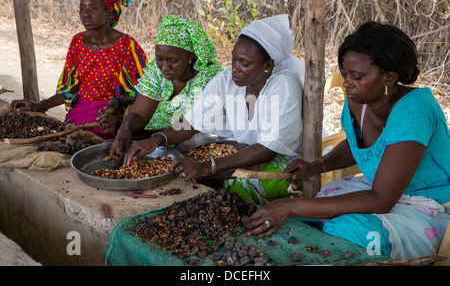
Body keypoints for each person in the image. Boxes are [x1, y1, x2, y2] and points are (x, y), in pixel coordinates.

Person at [243, 21, 450, 260]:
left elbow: (381, 200)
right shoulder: (358, 101)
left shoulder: (414, 110)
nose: (347, 83)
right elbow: (359, 145)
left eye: (357, 76)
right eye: (345, 74)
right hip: (379, 189)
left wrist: (290, 206)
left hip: (428, 205)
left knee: (343, 230)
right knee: (307, 219)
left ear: (389, 78)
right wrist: (317, 165)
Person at [122, 14, 305, 205]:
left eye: (245, 63)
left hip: (285, 159)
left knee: (232, 191)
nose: (235, 68)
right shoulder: (228, 80)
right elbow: (192, 120)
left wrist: (207, 167)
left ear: (268, 65)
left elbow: (268, 149)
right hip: (243, 154)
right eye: (234, 59)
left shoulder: (284, 84)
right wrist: (158, 139)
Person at [10, 0, 148, 139]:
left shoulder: (127, 46)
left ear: (109, 13)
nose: (86, 14)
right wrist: (41, 105)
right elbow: (69, 89)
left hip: (110, 118)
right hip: (80, 115)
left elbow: (143, 94)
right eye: (82, 8)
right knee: (67, 141)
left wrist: (118, 104)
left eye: (93, 8)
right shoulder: (77, 42)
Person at [108, 15, 223, 157]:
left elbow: (197, 126)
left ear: (190, 56)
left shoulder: (210, 77)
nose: (164, 67)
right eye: (159, 58)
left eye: (173, 60)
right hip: (156, 139)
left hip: (196, 145)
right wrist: (125, 128)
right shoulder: (157, 71)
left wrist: (148, 137)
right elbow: (139, 115)